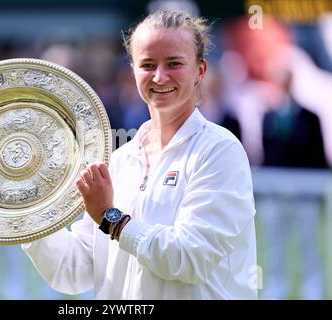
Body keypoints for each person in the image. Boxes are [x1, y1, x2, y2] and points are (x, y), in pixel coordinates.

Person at [22, 10, 257, 299]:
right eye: (147, 64)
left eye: (174, 63)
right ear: (133, 70)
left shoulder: (220, 151)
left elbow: (189, 258)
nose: (160, 76)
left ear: (200, 71)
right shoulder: (121, 159)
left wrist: (112, 220)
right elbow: (74, 271)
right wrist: (28, 213)